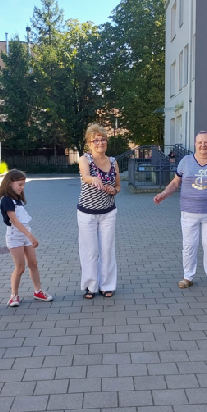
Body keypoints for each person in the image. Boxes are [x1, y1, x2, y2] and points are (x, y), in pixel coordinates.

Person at [154, 131, 207, 290]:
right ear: (195, 144)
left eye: (206, 142)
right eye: (200, 142)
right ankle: (188, 277)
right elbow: (175, 183)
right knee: (189, 246)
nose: (203, 145)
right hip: (188, 213)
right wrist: (164, 194)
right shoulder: (186, 161)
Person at [0, 169, 53, 306]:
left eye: (23, 185)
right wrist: (30, 236)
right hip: (15, 236)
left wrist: (28, 235)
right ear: (10, 183)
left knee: (33, 264)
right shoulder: (6, 200)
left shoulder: (18, 198)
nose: (22, 187)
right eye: (20, 184)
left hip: (25, 234)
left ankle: (38, 291)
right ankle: (14, 295)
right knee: (20, 268)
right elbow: (15, 221)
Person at [78, 124, 121, 299]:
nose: (100, 143)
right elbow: (85, 176)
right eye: (96, 140)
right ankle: (91, 286)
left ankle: (107, 285)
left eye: (103, 139)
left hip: (108, 213)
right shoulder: (85, 159)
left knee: (107, 250)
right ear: (89, 143)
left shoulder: (113, 161)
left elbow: (118, 186)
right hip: (87, 213)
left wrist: (113, 190)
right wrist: (93, 179)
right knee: (90, 251)